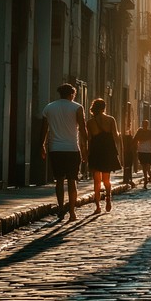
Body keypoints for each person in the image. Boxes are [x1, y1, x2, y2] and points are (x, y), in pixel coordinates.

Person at [40, 83, 88, 221]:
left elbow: (44, 129)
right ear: (72, 94)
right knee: (72, 181)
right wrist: (85, 148)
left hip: (55, 149)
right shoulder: (77, 108)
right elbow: (83, 129)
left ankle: (61, 208)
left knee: (59, 180)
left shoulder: (49, 108)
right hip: (72, 148)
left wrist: (41, 145)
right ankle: (72, 212)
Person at [87, 98, 122, 214]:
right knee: (106, 179)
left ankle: (97, 206)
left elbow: (89, 139)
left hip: (96, 151)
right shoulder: (111, 120)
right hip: (108, 151)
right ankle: (108, 198)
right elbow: (116, 137)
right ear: (104, 108)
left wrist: (86, 153)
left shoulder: (90, 122)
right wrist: (119, 152)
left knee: (96, 181)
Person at [133, 120, 151, 188]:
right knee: (146, 166)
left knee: (144, 166)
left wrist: (136, 147)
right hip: (146, 151)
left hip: (142, 151)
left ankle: (146, 178)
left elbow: (134, 140)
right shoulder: (147, 131)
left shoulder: (142, 131)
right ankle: (146, 177)